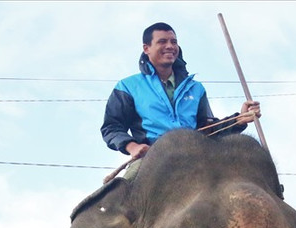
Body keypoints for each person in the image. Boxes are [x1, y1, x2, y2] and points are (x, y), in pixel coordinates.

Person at [101, 22, 262, 173]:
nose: (170, 46)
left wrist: (238, 120)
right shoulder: (127, 87)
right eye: (162, 41)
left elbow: (208, 129)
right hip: (150, 160)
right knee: (119, 196)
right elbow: (111, 127)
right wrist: (132, 146)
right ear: (146, 48)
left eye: (173, 41)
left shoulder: (196, 88)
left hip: (197, 159)